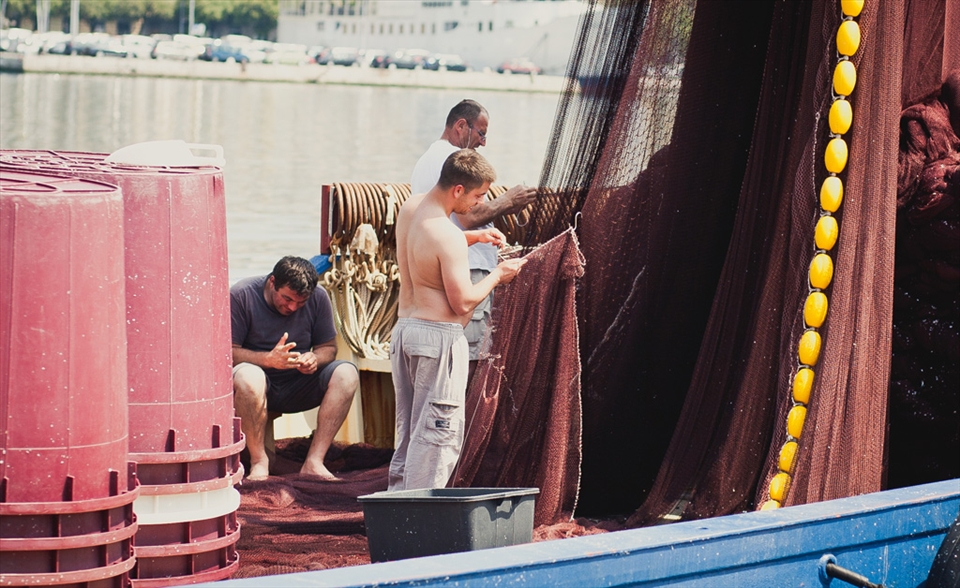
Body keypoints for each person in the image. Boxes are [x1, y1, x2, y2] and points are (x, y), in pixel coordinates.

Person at [389, 149, 528, 491]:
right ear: (458, 190)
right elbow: (463, 299)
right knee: (436, 438)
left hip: (405, 332)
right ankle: (422, 524)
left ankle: (396, 510)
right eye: (479, 195)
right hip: (437, 340)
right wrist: (498, 274)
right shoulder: (448, 235)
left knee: (409, 432)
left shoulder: (411, 209)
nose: (480, 204)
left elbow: (424, 244)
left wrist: (474, 236)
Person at [410, 99, 538, 375]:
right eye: (481, 133)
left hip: (446, 275)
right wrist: (507, 200)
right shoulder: (450, 160)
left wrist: (481, 233)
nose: (483, 142)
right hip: (468, 272)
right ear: (460, 126)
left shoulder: (429, 158)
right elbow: (467, 216)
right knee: (466, 361)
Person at [231, 256, 360, 480]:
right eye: (287, 298)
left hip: (299, 384)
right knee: (248, 377)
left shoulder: (319, 297)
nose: (292, 307)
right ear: (272, 282)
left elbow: (328, 348)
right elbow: (228, 352)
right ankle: (259, 461)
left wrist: (314, 359)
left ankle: (314, 462)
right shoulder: (241, 295)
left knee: (347, 373)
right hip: (256, 387)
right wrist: (268, 360)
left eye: (300, 302)